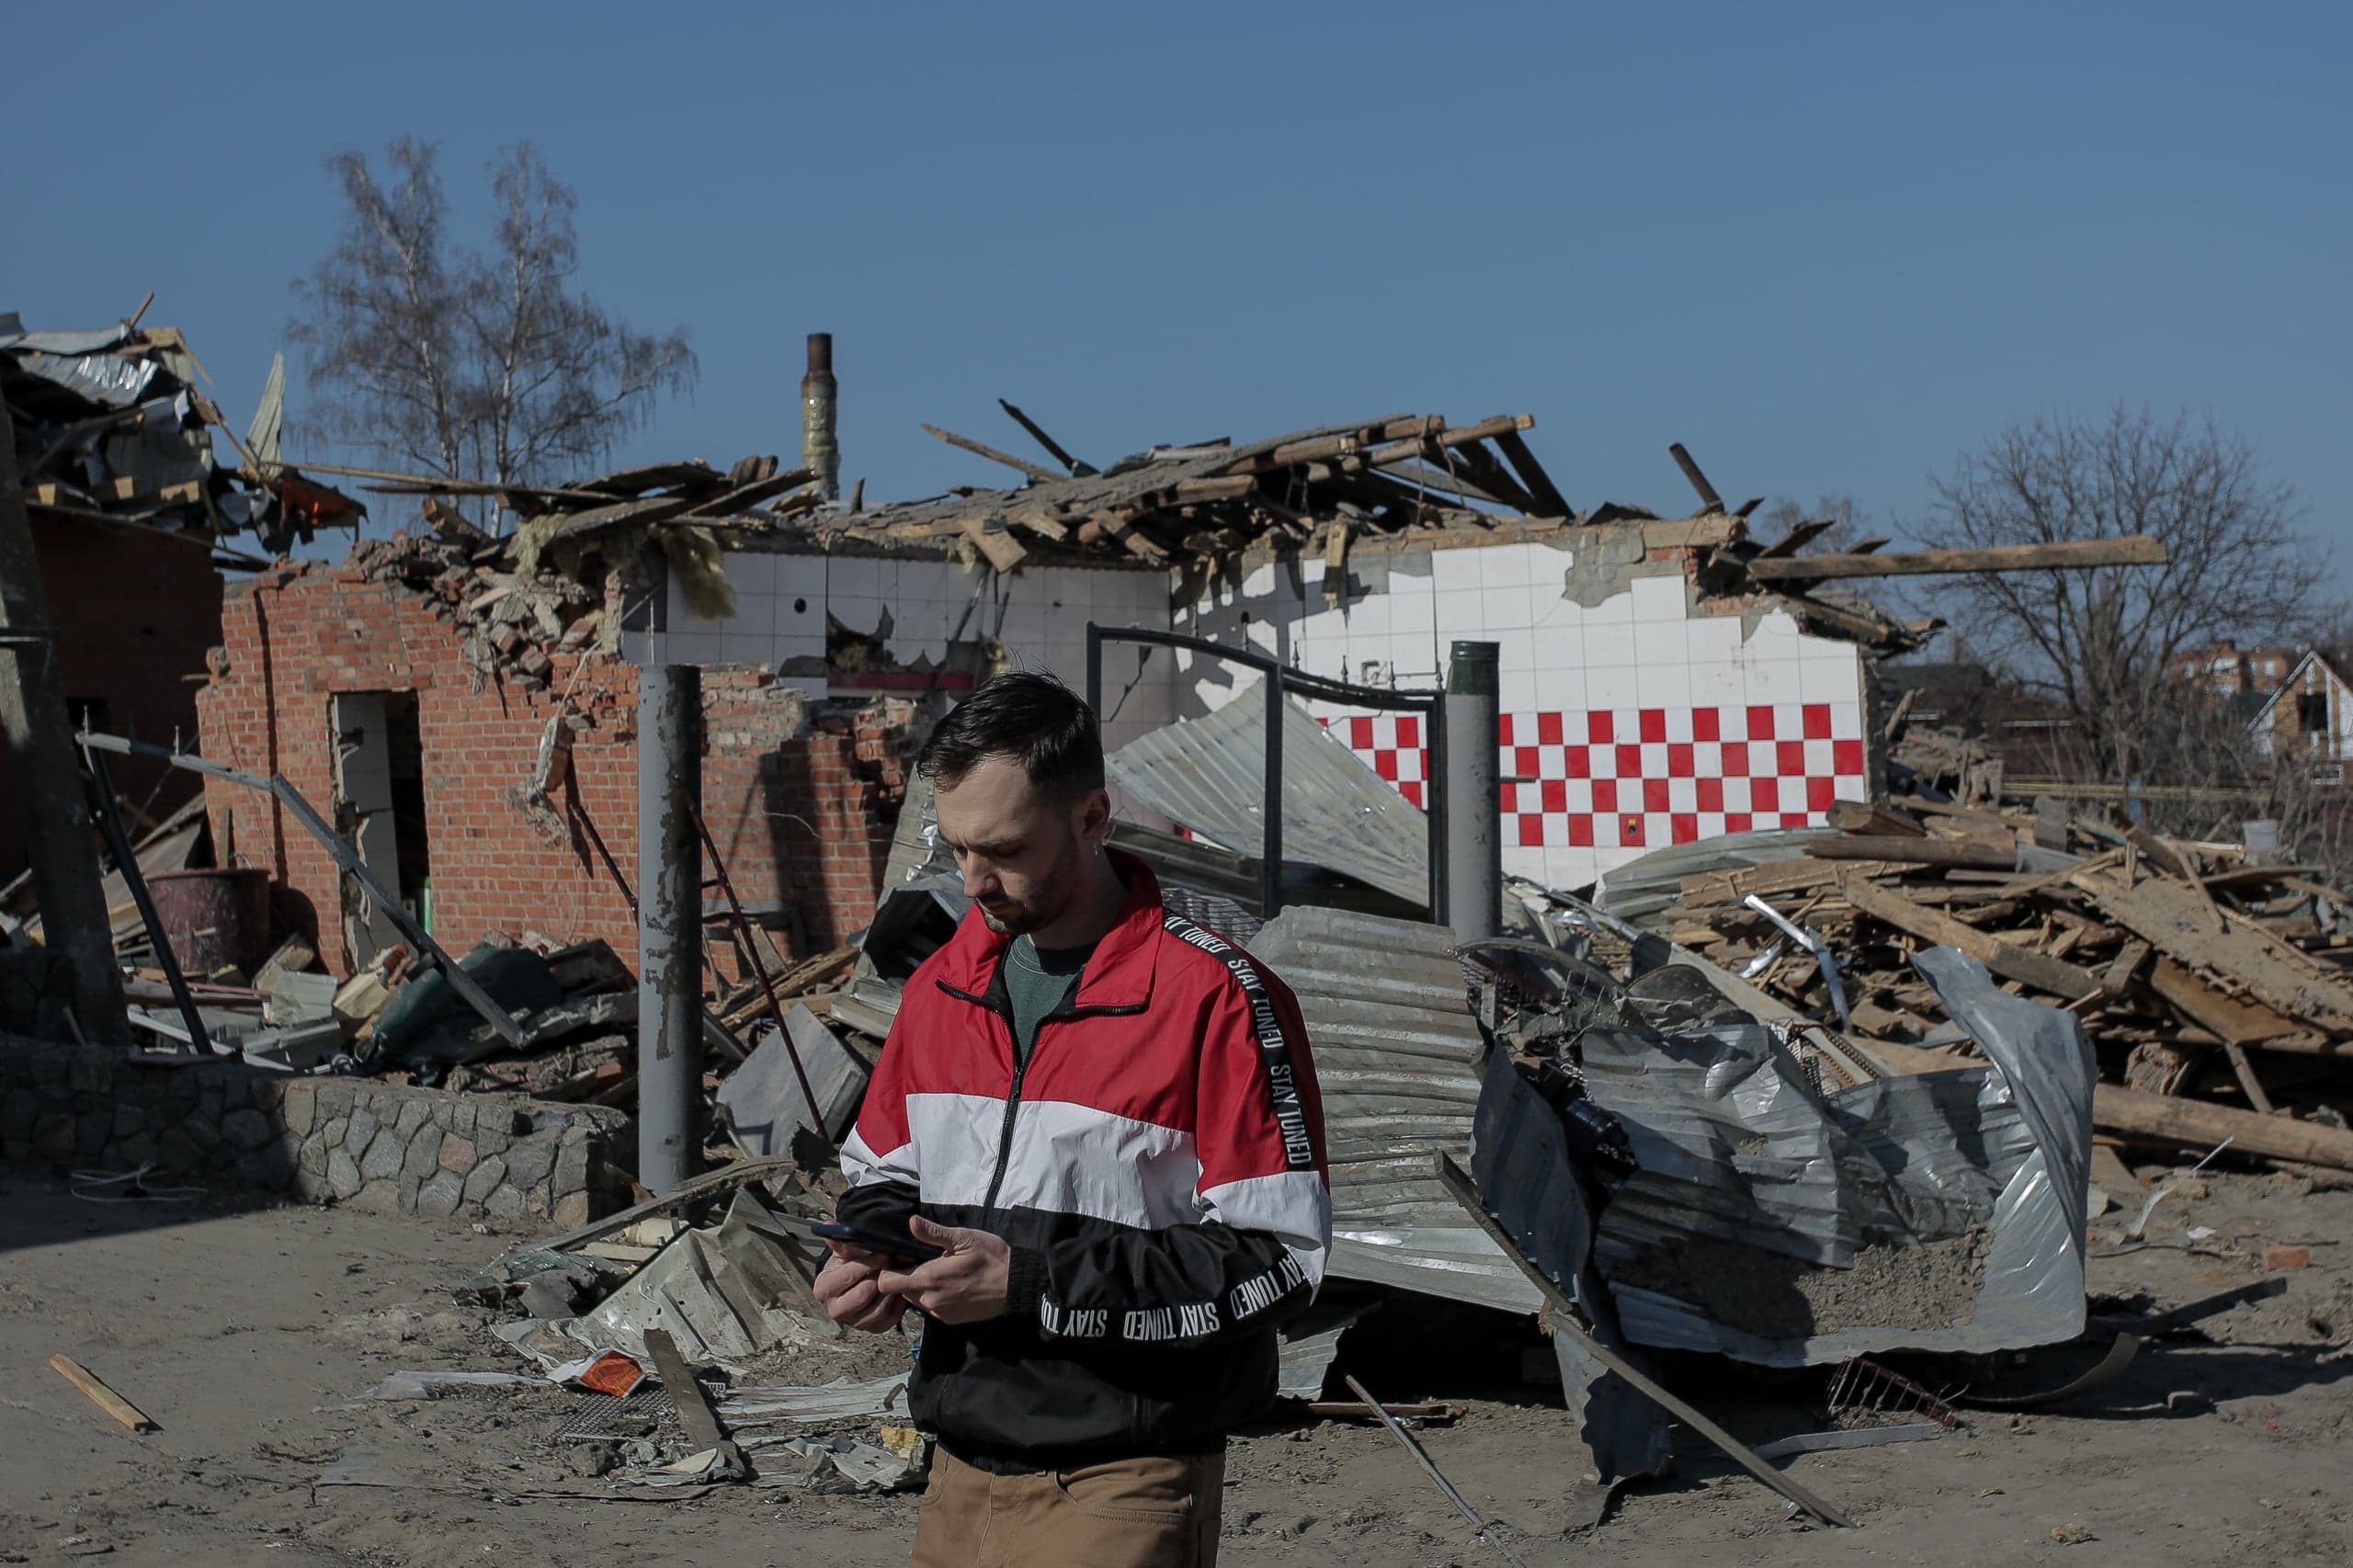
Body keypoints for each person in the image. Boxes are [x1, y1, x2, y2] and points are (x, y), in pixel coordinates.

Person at [817, 672, 1331, 1568]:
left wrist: (1033, 1283)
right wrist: (868, 1254)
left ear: (1092, 818)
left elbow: (1278, 1262)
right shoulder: (941, 987)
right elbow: (887, 1172)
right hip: (957, 1469)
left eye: (1006, 849)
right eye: (960, 847)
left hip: (1122, 1478)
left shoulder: (1216, 998)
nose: (976, 881)